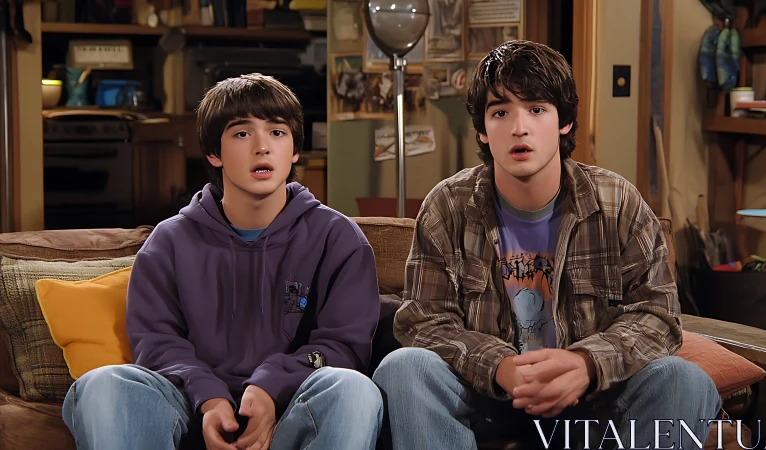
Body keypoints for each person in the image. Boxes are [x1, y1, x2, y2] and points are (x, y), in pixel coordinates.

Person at [372, 41, 722, 449]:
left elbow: (658, 316)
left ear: (564, 122)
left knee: (685, 380)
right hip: (487, 398)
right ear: (483, 130)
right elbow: (423, 321)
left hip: (594, 400)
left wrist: (586, 363)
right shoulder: (448, 206)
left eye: (537, 109)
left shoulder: (617, 202)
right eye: (500, 112)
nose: (519, 127)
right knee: (404, 367)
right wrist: (499, 365)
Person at [62, 73, 383, 450]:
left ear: (295, 150)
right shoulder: (169, 241)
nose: (262, 147)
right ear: (214, 153)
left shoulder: (338, 238)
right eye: (242, 134)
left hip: (292, 406)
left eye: (277, 132)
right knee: (102, 383)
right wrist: (209, 397)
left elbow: (343, 347)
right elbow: (158, 344)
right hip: (188, 409)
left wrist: (269, 385)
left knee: (354, 388)